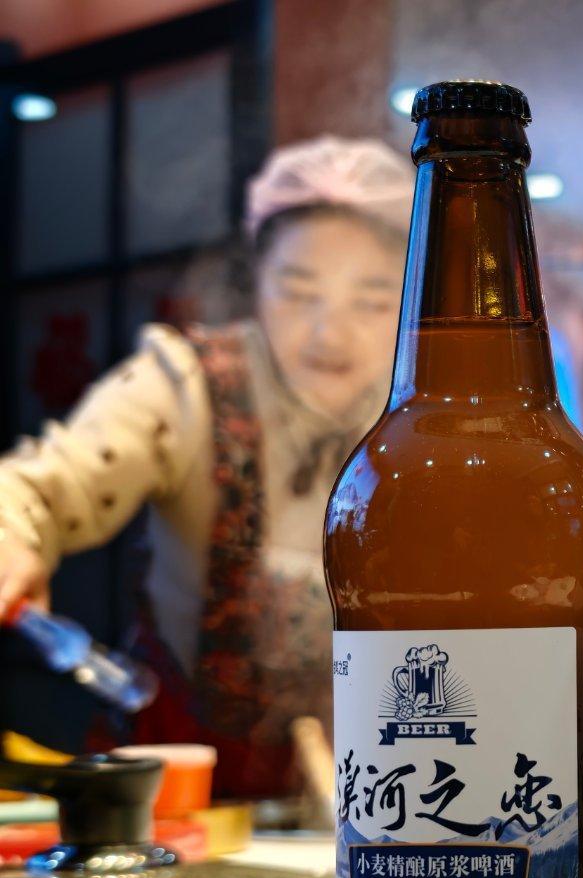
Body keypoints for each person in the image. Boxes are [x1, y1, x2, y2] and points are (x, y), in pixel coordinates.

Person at [0, 137, 412, 801]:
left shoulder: (419, 421)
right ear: (258, 281)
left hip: (370, 792)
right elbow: (40, 484)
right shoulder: (187, 386)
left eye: (371, 301)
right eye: (297, 291)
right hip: (181, 791)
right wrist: (11, 535)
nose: (328, 335)